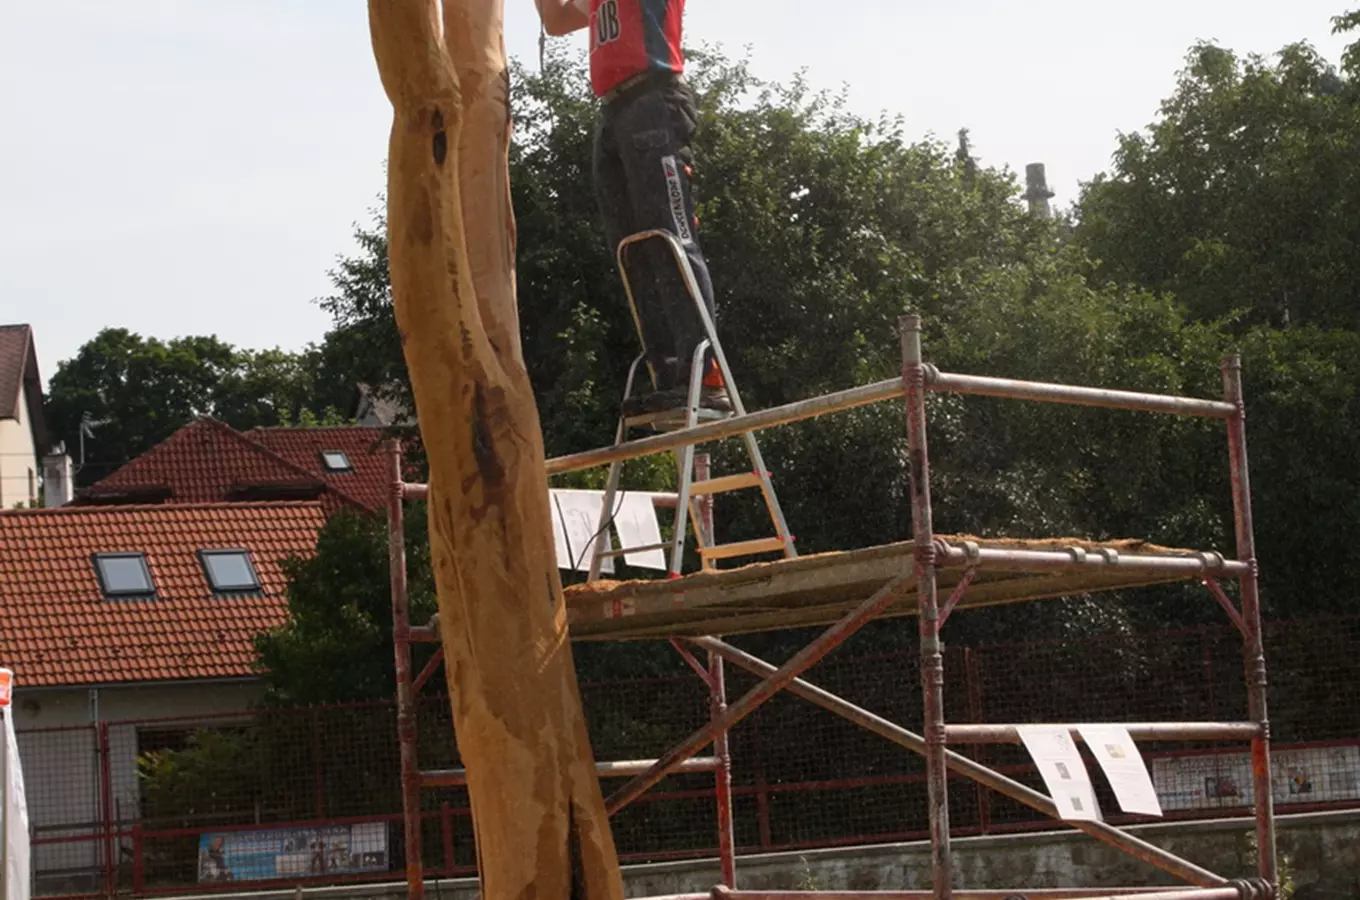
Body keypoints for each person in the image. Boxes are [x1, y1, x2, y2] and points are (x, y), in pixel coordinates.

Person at [534, 0, 732, 415]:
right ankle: (670, 373)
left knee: (671, 238)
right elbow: (554, 20)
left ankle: (706, 374)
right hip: (613, 111)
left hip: (653, 98)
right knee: (633, 251)